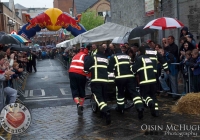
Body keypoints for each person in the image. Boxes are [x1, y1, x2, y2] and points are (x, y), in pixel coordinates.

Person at [108, 46, 144, 119]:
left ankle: (121, 109)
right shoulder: (127, 56)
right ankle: (140, 107)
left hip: (120, 78)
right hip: (130, 77)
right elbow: (131, 66)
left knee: (120, 93)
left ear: (115, 52)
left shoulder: (113, 57)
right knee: (134, 93)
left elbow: (110, 69)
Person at [84, 45, 111, 125]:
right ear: (103, 51)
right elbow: (109, 70)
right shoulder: (106, 59)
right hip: (105, 81)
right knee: (104, 97)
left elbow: (86, 68)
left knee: (98, 97)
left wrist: (88, 70)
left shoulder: (93, 57)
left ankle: (106, 111)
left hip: (96, 80)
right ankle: (102, 113)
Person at [132, 46, 159, 117]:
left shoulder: (139, 58)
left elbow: (135, 68)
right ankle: (155, 111)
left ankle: (150, 103)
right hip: (153, 80)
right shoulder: (148, 58)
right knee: (153, 95)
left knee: (144, 95)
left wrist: (131, 67)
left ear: (139, 52)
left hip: (144, 81)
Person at [68, 44, 91, 115]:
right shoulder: (86, 56)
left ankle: (78, 104)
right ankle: (81, 105)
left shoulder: (75, 56)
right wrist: (90, 75)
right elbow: (87, 67)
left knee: (74, 89)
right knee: (81, 89)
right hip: (81, 74)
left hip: (71, 73)